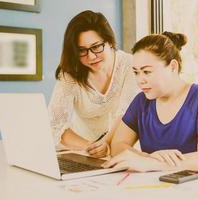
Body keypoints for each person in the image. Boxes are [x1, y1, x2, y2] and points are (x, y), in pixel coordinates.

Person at [103, 31, 198, 177]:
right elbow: (118, 145)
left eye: (147, 72)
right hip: (168, 189)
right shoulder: (141, 101)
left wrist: (152, 164)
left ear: (173, 67)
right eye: (136, 72)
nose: (140, 80)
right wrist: (148, 158)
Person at [48, 10, 138, 158]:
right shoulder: (70, 73)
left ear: (109, 41)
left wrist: (106, 144)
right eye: (82, 50)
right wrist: (90, 147)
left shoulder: (130, 65)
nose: (91, 56)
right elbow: (55, 125)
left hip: (121, 149)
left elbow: (126, 113)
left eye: (96, 46)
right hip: (82, 151)